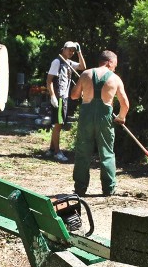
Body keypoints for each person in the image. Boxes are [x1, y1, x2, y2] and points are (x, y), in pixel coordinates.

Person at [70, 50, 129, 196]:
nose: (115, 67)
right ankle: (109, 189)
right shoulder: (115, 79)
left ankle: (80, 188)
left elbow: (73, 95)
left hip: (86, 118)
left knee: (83, 152)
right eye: (115, 64)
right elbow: (125, 104)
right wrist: (121, 117)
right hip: (105, 119)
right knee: (107, 153)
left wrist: (84, 92)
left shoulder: (86, 74)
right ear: (109, 62)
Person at [45, 41, 86, 162]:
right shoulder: (57, 62)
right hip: (59, 98)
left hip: (64, 97)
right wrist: (53, 96)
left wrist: (79, 52)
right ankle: (57, 152)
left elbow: (83, 67)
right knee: (59, 124)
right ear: (63, 49)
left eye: (73, 51)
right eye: (70, 50)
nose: (71, 52)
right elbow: (49, 81)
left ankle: (52, 149)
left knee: (59, 123)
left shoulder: (68, 63)